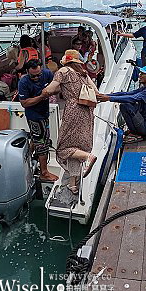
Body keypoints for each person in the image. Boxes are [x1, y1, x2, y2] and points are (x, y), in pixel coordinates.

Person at [41, 49, 98, 194]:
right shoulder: (83, 73)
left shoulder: (63, 71)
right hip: (87, 110)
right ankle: (73, 184)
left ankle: (88, 157)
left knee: (63, 148)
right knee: (76, 146)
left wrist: (42, 92)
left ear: (67, 61)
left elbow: (50, 90)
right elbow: (95, 92)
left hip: (73, 110)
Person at [17, 60, 58, 182]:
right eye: (33, 76)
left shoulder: (47, 74)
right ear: (27, 72)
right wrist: (41, 96)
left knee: (37, 139)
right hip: (34, 116)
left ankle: (26, 158)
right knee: (42, 143)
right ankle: (44, 172)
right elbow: (24, 103)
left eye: (38, 75)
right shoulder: (23, 82)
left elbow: (57, 88)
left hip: (44, 113)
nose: (36, 77)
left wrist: (49, 91)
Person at [97, 65, 146, 143]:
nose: (139, 75)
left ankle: (137, 134)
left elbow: (132, 98)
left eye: (142, 74)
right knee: (126, 105)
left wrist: (108, 99)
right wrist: (107, 95)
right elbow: (127, 93)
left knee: (125, 106)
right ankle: (135, 131)